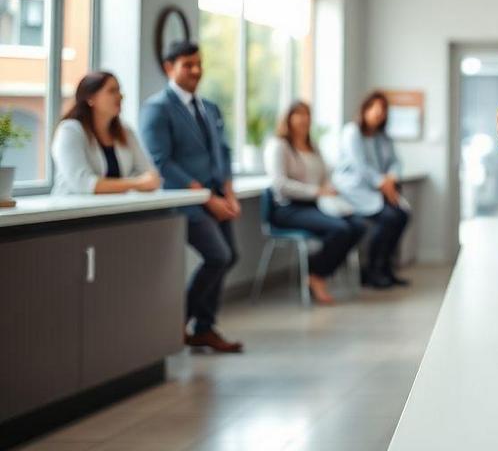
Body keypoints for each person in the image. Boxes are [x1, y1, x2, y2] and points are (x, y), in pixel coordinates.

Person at [141, 40, 244, 353]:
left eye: (199, 64)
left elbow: (222, 152)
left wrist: (227, 191)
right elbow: (161, 162)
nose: (196, 71)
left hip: (215, 196)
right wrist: (203, 197)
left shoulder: (209, 107)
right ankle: (177, 321)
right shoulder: (157, 109)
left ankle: (203, 328)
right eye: (188, 65)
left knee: (230, 256)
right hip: (185, 200)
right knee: (218, 256)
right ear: (169, 67)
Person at [264, 101, 366, 304]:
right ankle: (316, 275)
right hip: (288, 208)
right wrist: (316, 191)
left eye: (307, 114)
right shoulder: (279, 146)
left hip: (315, 205)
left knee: (358, 225)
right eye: (298, 114)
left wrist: (328, 188)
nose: (304, 119)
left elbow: (324, 174)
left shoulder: (313, 145)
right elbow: (280, 184)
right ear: (288, 118)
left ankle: (318, 270)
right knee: (340, 230)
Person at [333, 91, 411, 289]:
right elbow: (360, 166)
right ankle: (371, 270)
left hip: (379, 190)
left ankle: (386, 268)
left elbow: (395, 162)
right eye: (374, 109)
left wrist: (392, 178)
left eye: (382, 110)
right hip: (354, 190)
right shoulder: (352, 132)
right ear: (365, 110)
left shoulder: (383, 137)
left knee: (402, 216)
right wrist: (383, 184)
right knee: (389, 218)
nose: (378, 114)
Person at [51, 71, 160, 195]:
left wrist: (140, 182)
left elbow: (149, 175)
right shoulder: (69, 131)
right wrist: (137, 183)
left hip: (114, 209)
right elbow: (83, 184)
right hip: (73, 211)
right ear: (90, 98)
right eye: (112, 91)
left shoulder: (126, 131)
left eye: (119, 90)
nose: (120, 96)